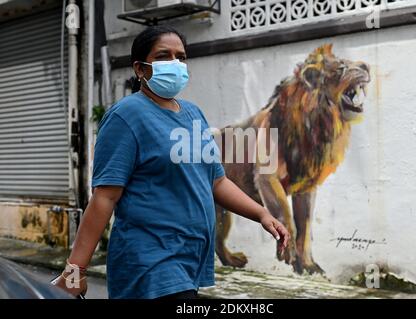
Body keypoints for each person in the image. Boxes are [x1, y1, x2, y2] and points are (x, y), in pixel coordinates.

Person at [55, 25, 289, 299]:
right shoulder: (126, 116)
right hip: (149, 261)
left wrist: (262, 214)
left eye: (181, 56)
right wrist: (75, 270)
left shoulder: (194, 114)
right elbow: (104, 197)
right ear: (140, 69)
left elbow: (217, 180)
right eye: (164, 56)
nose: (175, 64)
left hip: (190, 258)